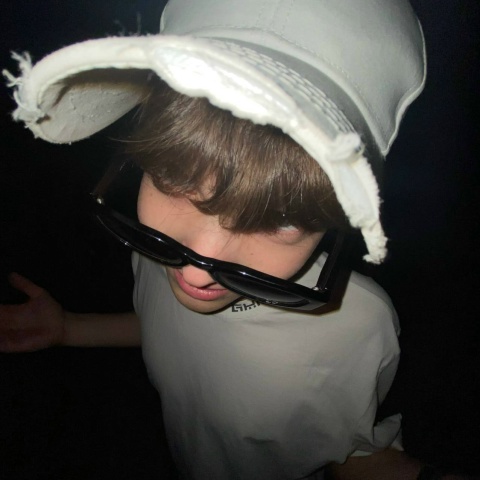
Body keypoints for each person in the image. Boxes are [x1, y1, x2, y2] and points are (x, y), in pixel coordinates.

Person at [1, 0, 458, 479]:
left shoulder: (354, 327)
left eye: (281, 220)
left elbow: (351, 457)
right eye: (175, 178)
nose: (196, 267)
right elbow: (175, 330)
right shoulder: (160, 247)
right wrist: (71, 329)